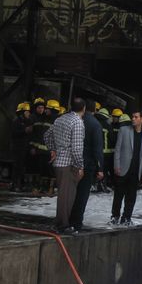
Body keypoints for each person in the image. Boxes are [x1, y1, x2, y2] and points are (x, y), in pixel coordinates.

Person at [46, 97, 86, 233]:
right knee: (67, 196)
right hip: (69, 164)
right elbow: (76, 148)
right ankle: (62, 225)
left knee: (63, 195)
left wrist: (53, 150)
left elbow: (47, 135)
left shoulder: (60, 119)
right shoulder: (77, 122)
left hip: (58, 163)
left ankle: (61, 222)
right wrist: (80, 166)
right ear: (84, 108)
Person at [111, 110, 142, 225]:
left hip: (136, 170)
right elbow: (117, 149)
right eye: (132, 117)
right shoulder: (124, 130)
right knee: (118, 194)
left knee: (131, 196)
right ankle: (115, 216)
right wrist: (116, 165)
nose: (133, 119)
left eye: (136, 117)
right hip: (123, 168)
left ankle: (127, 218)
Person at [69, 99, 105, 231]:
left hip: (71, 162)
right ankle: (76, 222)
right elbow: (97, 149)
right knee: (82, 194)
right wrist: (100, 168)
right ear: (95, 110)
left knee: (70, 193)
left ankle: (66, 219)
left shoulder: (73, 121)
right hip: (87, 164)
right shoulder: (95, 125)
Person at [11, 102, 33, 191]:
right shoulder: (16, 122)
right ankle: (15, 184)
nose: (29, 113)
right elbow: (14, 133)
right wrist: (24, 131)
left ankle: (23, 185)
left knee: (24, 167)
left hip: (25, 148)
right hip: (18, 148)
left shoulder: (29, 122)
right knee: (17, 166)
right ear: (22, 112)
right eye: (27, 112)